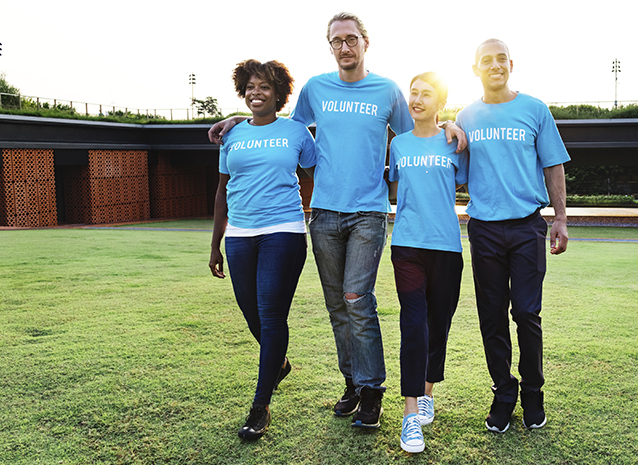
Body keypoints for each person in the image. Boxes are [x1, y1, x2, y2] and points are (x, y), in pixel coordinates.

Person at [208, 12, 466, 429]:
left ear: (366, 42)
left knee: (355, 299)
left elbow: (418, 130)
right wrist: (239, 121)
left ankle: (372, 390)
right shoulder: (315, 89)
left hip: (368, 212)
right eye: (336, 41)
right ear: (330, 46)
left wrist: (451, 121)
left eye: (351, 39)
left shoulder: (387, 91)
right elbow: (283, 130)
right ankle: (352, 382)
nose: (344, 47)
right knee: (335, 306)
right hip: (324, 214)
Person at [455, 39, 570, 433]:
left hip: (526, 226)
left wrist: (561, 219)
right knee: (491, 317)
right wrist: (446, 129)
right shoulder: (466, 116)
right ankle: (504, 393)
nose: (494, 65)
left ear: (511, 64)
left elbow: (554, 166)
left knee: (525, 312)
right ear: (476, 69)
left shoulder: (534, 109)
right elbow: (453, 166)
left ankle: (533, 392)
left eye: (500, 58)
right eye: (485, 61)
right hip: (484, 229)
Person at [208, 59, 316, 440]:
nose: (256, 92)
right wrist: (215, 244)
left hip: (283, 231)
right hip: (239, 234)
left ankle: (260, 405)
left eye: (265, 87)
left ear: (279, 93)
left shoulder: (297, 132)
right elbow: (222, 190)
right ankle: (279, 363)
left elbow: (317, 173)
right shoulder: (232, 135)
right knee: (251, 312)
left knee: (270, 316)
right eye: (250, 86)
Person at [387, 72, 468, 453]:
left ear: (440, 103)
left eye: (426, 94)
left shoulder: (455, 142)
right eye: (413, 93)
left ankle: (427, 393)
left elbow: (468, 183)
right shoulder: (398, 145)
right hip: (407, 245)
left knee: (439, 324)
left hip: (447, 247)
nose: (417, 99)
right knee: (413, 323)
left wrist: (453, 126)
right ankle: (408, 416)